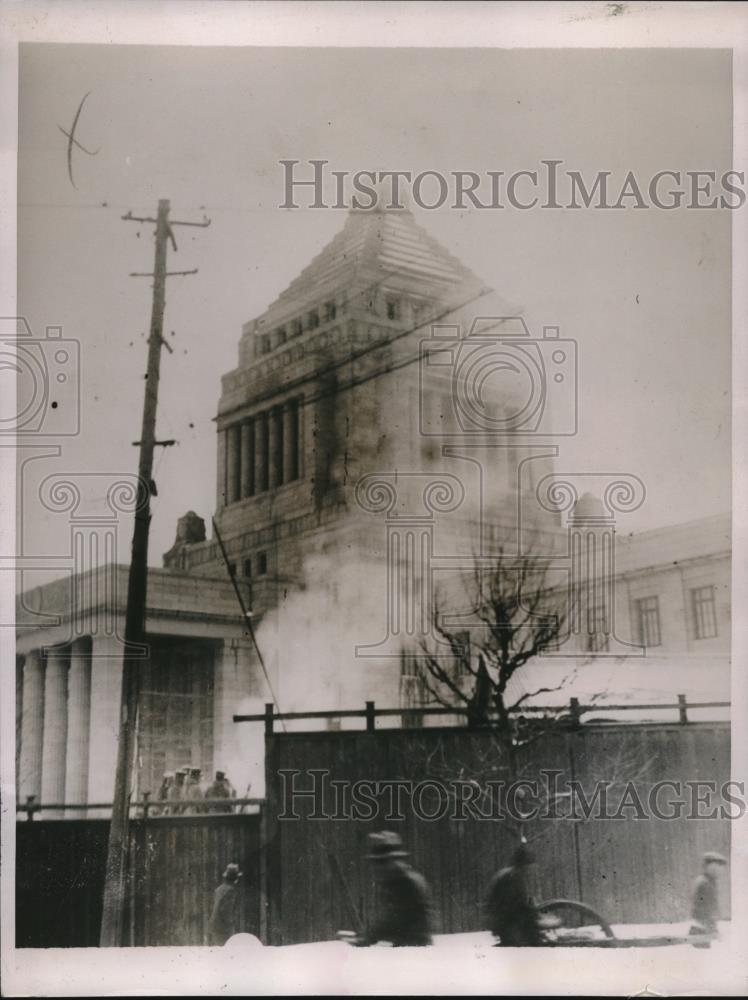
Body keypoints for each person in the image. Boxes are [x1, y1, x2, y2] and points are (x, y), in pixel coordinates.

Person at [354, 831, 433, 947]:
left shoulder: (405, 883)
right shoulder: (397, 881)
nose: (377, 868)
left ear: (393, 860)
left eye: (381, 862)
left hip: (413, 947)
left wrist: (370, 936)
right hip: (407, 945)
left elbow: (395, 918)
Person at [485, 844, 543, 947]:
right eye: (528, 866)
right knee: (533, 940)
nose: (529, 870)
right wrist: (533, 912)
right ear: (522, 865)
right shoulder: (511, 877)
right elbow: (514, 904)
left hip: (504, 919)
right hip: (506, 923)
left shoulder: (511, 874)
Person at [690, 851, 728, 948]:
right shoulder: (705, 883)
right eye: (716, 867)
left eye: (721, 868)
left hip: (702, 928)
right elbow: (706, 908)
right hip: (701, 929)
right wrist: (713, 928)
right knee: (702, 959)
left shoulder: (709, 882)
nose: (720, 871)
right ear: (708, 867)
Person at [208, 863, 243, 946]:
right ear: (235, 879)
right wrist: (230, 926)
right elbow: (226, 911)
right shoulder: (230, 891)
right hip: (223, 928)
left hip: (215, 925)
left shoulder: (219, 889)